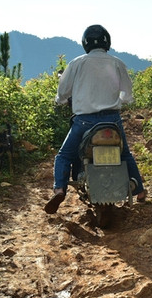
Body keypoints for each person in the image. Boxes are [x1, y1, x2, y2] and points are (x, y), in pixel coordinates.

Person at [44, 24, 146, 214]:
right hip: (112, 121)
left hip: (84, 122)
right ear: (107, 42)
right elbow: (128, 93)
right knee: (125, 155)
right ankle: (139, 191)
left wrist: (61, 100)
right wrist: (120, 100)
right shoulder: (117, 63)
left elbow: (62, 92)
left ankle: (59, 189)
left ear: (85, 43)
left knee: (64, 156)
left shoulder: (77, 63)